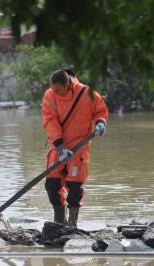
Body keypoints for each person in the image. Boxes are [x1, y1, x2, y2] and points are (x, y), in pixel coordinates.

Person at [42, 69, 108, 227]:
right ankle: (59, 222)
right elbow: (50, 121)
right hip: (58, 147)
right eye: (53, 89)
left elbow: (100, 110)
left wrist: (100, 123)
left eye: (58, 90)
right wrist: (59, 148)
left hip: (79, 148)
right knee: (52, 186)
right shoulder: (49, 95)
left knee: (74, 189)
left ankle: (72, 224)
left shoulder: (87, 93)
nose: (55, 93)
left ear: (67, 85)